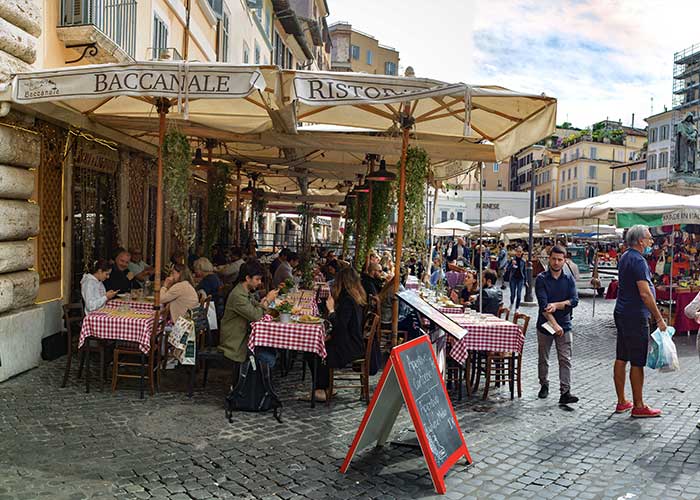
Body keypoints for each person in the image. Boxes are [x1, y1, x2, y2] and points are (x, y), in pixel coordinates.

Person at [613, 225, 666, 418]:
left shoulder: (625, 257)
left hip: (622, 312)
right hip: (635, 315)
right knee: (637, 361)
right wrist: (659, 318)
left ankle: (622, 401)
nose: (652, 242)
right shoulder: (638, 260)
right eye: (649, 238)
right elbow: (644, 293)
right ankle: (638, 405)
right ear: (641, 240)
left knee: (621, 356)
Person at [312, 266, 366, 402]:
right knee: (318, 346)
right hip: (352, 342)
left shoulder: (348, 301)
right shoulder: (355, 297)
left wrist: (331, 311)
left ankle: (323, 389)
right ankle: (325, 387)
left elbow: (341, 326)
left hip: (349, 347)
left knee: (316, 350)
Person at [535, 246, 579, 405]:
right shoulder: (541, 279)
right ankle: (544, 384)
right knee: (543, 357)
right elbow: (543, 306)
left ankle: (565, 392)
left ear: (564, 260)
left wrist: (558, 305)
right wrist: (555, 325)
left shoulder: (569, 279)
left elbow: (574, 301)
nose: (556, 262)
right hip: (546, 324)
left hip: (565, 324)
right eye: (554, 259)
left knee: (565, 359)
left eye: (560, 259)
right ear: (549, 259)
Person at [219, 260, 279, 367]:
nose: (260, 282)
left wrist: (264, 303)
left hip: (245, 336)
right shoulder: (238, 296)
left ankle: (259, 381)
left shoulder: (244, 291)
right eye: (257, 279)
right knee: (269, 358)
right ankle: (255, 382)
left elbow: (257, 306)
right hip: (236, 342)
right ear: (247, 278)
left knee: (272, 350)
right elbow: (256, 315)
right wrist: (268, 300)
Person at [505, 246, 526, 312]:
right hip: (513, 278)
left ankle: (517, 308)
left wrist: (526, 281)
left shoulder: (523, 261)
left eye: (520, 252)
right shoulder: (512, 260)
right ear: (516, 252)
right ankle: (511, 304)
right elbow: (507, 269)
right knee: (513, 294)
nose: (519, 253)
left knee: (519, 295)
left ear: (522, 252)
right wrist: (512, 264)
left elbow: (525, 271)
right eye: (517, 252)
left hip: (520, 279)